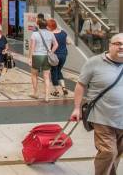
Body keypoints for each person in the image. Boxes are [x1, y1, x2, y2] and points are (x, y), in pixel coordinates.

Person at [70, 33, 123, 175]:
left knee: (117, 153)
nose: (121, 47)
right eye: (118, 43)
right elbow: (81, 85)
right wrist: (76, 108)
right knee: (109, 152)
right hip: (101, 116)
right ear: (110, 45)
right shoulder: (94, 62)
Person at [28, 19, 58, 102]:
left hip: (37, 56)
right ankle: (47, 97)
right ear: (46, 25)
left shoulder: (35, 34)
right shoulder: (51, 33)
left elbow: (32, 47)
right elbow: (56, 44)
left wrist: (30, 58)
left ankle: (35, 93)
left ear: (38, 25)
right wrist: (51, 52)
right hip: (46, 56)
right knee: (46, 77)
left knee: (34, 75)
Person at [47, 19, 70, 97]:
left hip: (55, 56)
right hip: (63, 55)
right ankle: (63, 88)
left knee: (54, 72)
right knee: (59, 70)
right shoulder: (63, 32)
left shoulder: (50, 34)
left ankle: (56, 91)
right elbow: (69, 42)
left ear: (50, 26)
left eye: (48, 26)